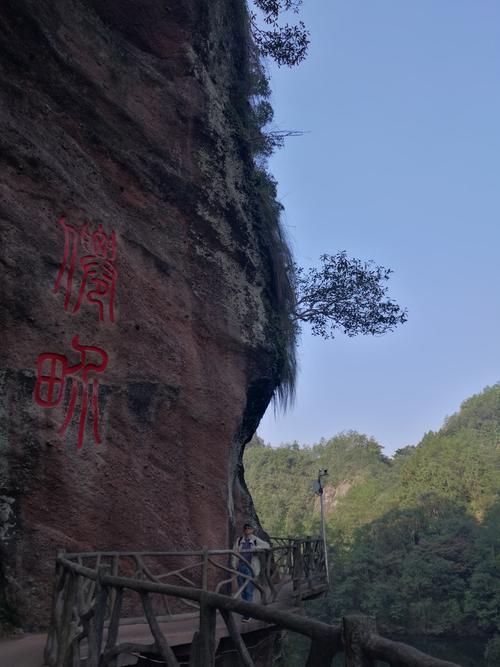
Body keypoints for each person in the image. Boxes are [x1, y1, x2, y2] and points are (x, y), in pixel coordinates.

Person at [232, 523, 270, 621]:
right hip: (240, 567)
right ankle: (246, 610)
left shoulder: (255, 540)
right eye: (246, 528)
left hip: (250, 568)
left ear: (252, 530)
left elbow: (267, 545)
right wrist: (234, 565)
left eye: (249, 528)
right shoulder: (239, 540)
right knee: (242, 590)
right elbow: (234, 552)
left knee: (248, 590)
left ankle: (248, 614)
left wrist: (257, 548)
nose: (248, 530)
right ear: (244, 530)